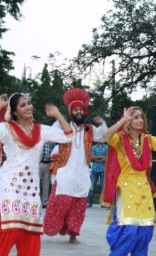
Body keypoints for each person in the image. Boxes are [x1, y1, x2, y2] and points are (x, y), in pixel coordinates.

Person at [0, 92, 74, 256]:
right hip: (9, 184)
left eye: (29, 103)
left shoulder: (41, 130)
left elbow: (68, 136)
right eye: (23, 105)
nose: (28, 107)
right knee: (10, 229)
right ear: (15, 112)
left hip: (30, 189)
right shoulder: (6, 128)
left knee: (30, 231)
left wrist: (57, 114)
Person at [102, 107, 156, 256]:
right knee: (128, 230)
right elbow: (106, 136)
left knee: (143, 233)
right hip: (126, 187)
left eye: (141, 117)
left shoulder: (148, 139)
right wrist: (123, 119)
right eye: (135, 117)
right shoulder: (120, 139)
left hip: (144, 190)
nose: (140, 120)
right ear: (128, 120)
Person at [43, 88, 107, 244]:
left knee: (78, 205)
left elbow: (103, 136)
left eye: (81, 109)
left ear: (84, 112)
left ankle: (73, 233)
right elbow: (51, 133)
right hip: (65, 171)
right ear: (71, 112)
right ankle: (59, 226)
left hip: (82, 172)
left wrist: (103, 123)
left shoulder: (89, 129)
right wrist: (57, 117)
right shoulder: (62, 125)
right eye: (75, 109)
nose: (79, 112)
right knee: (60, 202)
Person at [87, 130, 108, 207]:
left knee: (103, 186)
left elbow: (107, 158)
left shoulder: (107, 147)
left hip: (103, 169)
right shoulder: (93, 147)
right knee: (91, 186)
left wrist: (97, 158)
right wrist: (101, 157)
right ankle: (89, 202)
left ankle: (103, 202)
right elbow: (91, 157)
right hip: (94, 169)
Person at [39, 141, 55, 208]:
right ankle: (36, 202)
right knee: (36, 183)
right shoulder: (39, 138)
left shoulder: (50, 140)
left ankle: (44, 202)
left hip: (48, 163)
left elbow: (53, 149)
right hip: (38, 163)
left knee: (46, 184)